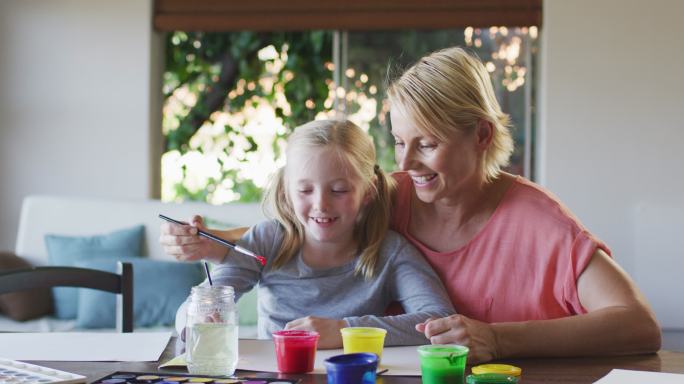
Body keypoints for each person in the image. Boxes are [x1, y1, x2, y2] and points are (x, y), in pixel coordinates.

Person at [386, 46, 661, 362]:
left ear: (482, 135)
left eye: (427, 144)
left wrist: (497, 339)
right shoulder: (385, 202)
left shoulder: (540, 221)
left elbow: (640, 324)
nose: (406, 162)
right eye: (399, 142)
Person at [162, 119, 455, 349]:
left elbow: (440, 320)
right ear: (287, 192)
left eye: (339, 190)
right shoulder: (267, 240)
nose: (321, 204)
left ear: (367, 193)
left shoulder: (388, 251)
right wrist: (196, 320)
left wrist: (345, 331)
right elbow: (194, 307)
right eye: (304, 190)